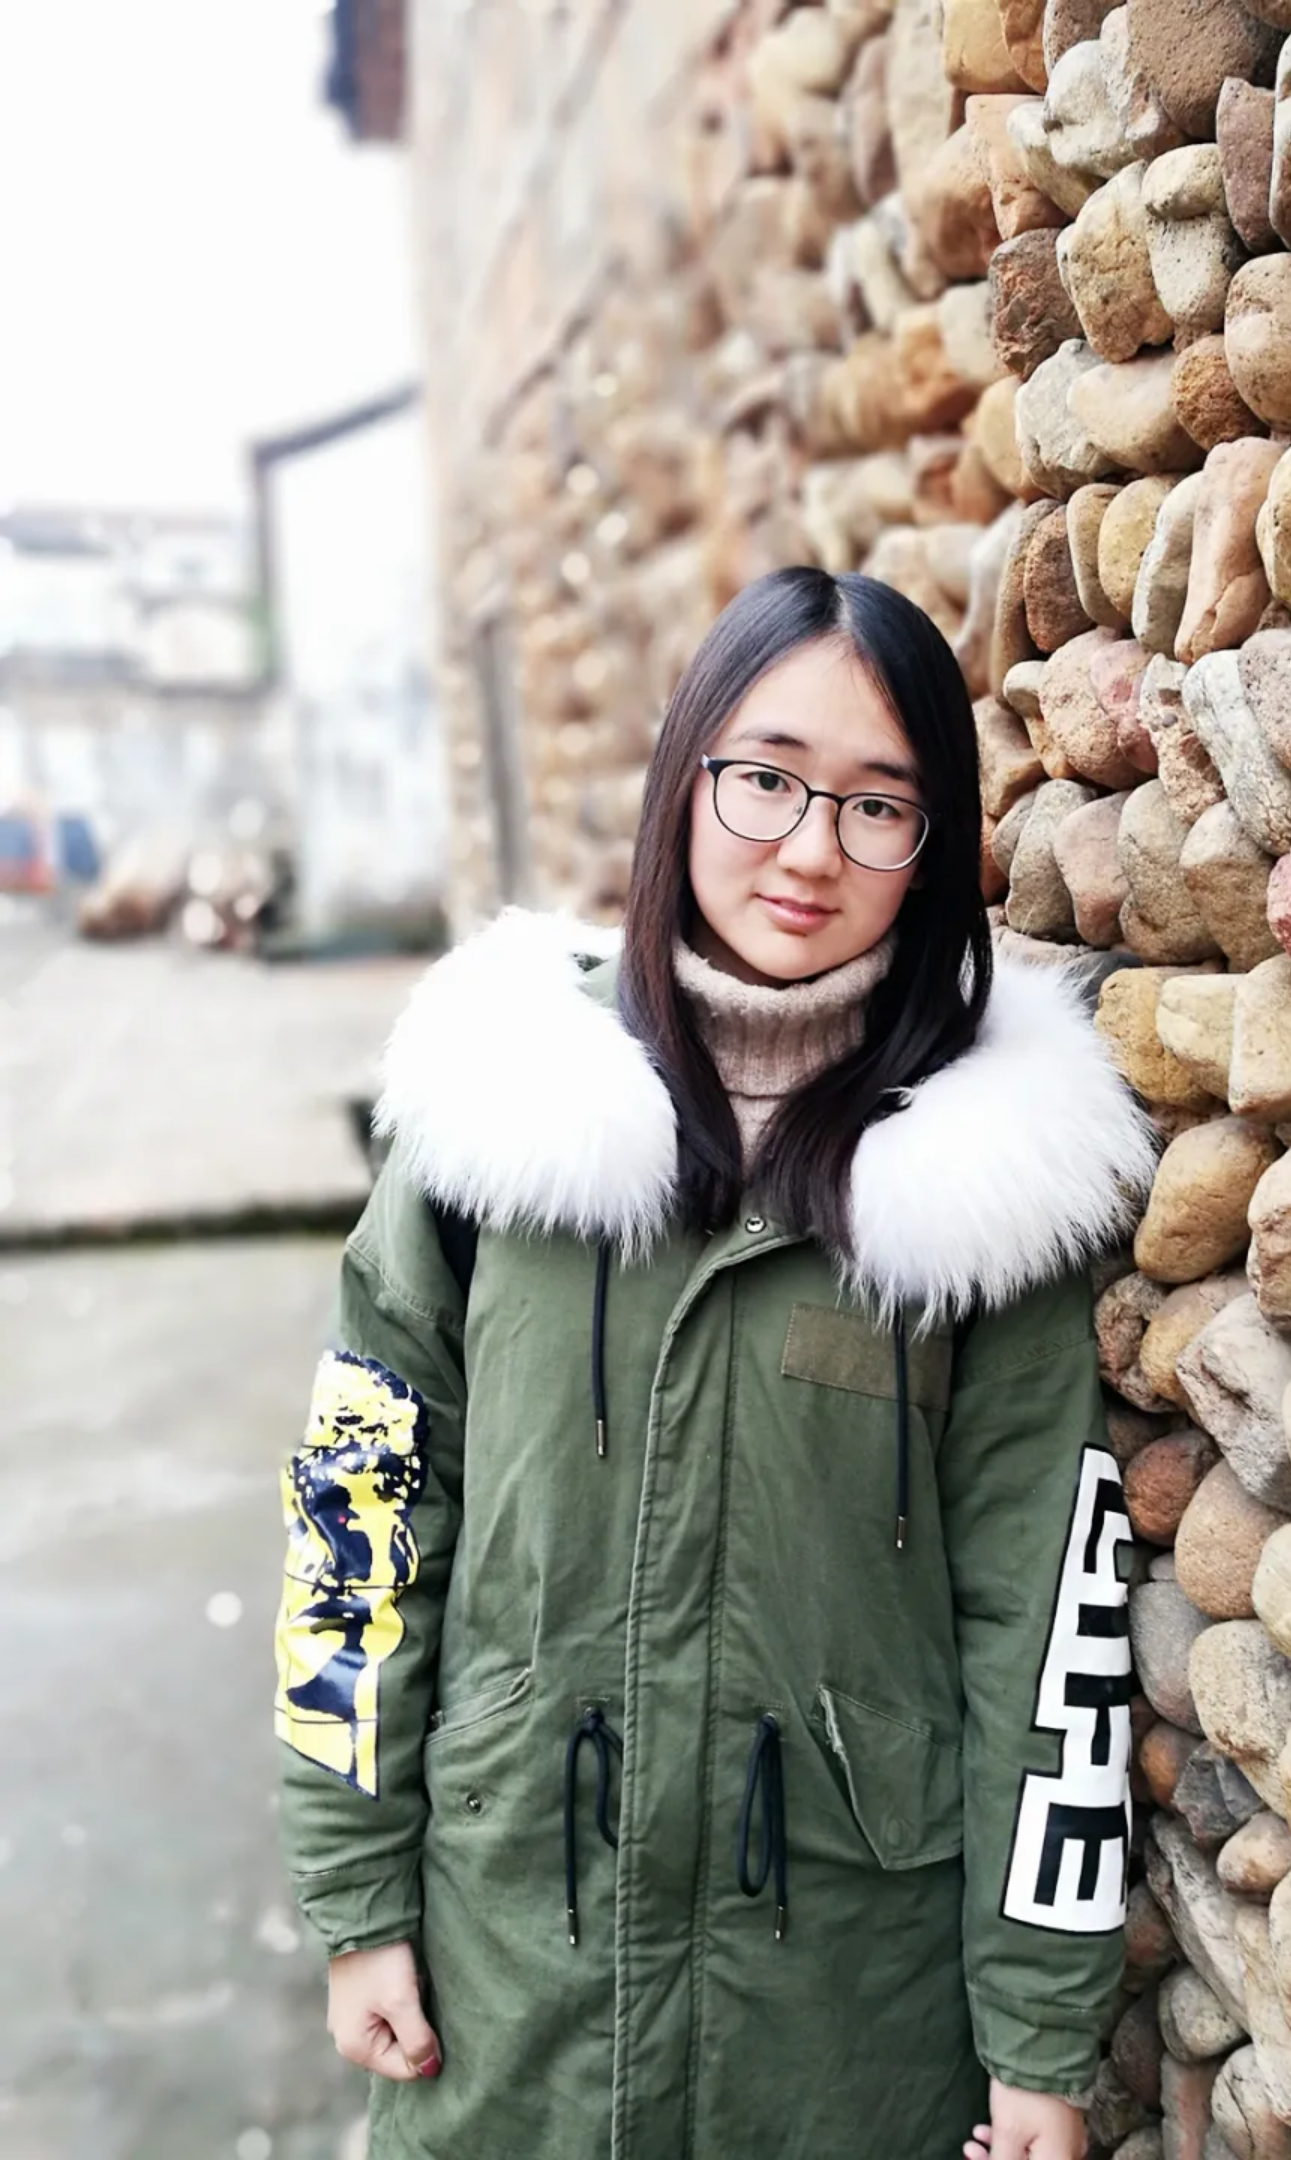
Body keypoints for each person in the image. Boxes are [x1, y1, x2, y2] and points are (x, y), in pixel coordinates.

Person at [274, 566, 1158, 2160]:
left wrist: (1038, 2031)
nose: (811, 851)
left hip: (843, 2013)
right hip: (508, 1964)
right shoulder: (501, 1118)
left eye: (879, 807)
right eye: (767, 780)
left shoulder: (984, 1191)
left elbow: (1048, 1630)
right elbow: (361, 1510)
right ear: (685, 776)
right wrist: (355, 1895)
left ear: (935, 847)